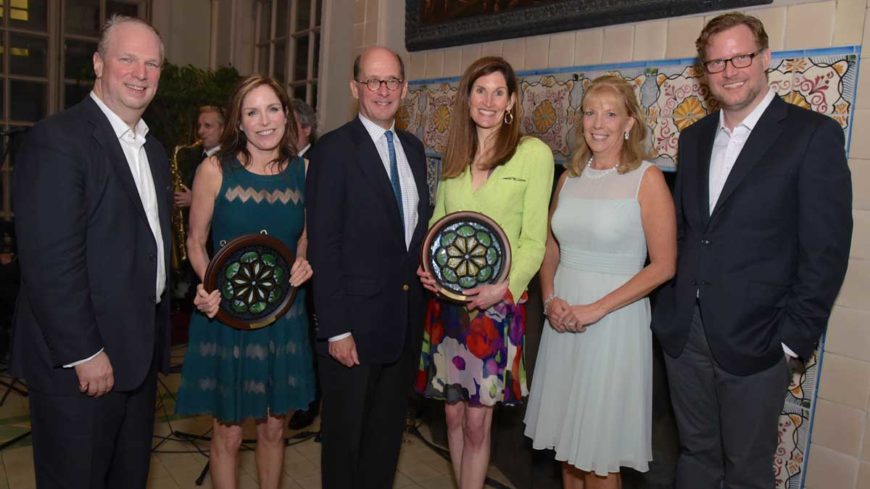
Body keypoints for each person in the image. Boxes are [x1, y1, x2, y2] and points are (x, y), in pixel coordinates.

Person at [651, 12, 852, 489]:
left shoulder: (811, 135)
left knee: (746, 471)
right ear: (704, 71)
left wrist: (790, 341)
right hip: (686, 337)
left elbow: (825, 250)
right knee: (696, 457)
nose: (730, 70)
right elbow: (687, 232)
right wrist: (669, 309)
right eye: (716, 62)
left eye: (741, 56)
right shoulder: (694, 138)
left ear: (765, 58)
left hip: (759, 340)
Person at [10, 15, 171, 489]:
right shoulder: (59, 141)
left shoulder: (152, 150)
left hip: (134, 359)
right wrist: (85, 352)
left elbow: (144, 247)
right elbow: (50, 263)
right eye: (127, 59)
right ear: (99, 64)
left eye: (152, 63)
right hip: (81, 368)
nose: (140, 73)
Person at [523, 75, 676, 489]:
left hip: (613, 325)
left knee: (599, 456)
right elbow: (551, 248)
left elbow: (663, 265)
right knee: (568, 451)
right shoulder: (570, 176)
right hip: (564, 321)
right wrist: (550, 298)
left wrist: (597, 308)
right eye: (590, 112)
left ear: (629, 122)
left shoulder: (647, 179)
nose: (598, 123)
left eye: (610, 113)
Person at [416, 56, 554, 489]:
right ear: (468, 98)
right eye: (481, 91)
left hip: (497, 309)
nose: (489, 101)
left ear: (512, 101)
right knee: (453, 415)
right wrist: (428, 270)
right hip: (448, 307)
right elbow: (439, 229)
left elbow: (534, 240)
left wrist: (505, 289)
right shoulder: (456, 155)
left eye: (499, 92)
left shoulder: (533, 154)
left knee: (478, 424)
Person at [174, 75, 316, 489]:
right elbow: (195, 241)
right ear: (240, 119)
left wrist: (304, 262)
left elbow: (304, 236)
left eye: (272, 109)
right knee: (229, 433)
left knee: (274, 429)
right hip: (227, 319)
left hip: (284, 316)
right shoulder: (215, 169)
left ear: (286, 114)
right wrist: (212, 286)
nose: (264, 121)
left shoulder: (305, 170)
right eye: (252, 112)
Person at [306, 46, 431, 488]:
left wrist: (427, 268)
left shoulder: (414, 150)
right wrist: (335, 328)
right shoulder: (334, 151)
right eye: (373, 81)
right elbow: (324, 245)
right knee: (344, 447)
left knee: (383, 443)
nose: (383, 90)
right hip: (351, 332)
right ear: (354, 87)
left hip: (401, 324)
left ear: (405, 88)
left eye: (392, 81)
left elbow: (412, 234)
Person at [287, 98, 320, 431]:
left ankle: (310, 402)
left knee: (311, 337)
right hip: (290, 266)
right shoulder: (284, 163)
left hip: (312, 267)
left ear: (306, 129)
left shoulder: (315, 162)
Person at [174, 105, 225, 209]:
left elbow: (230, 204)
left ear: (222, 129)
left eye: (207, 126)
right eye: (199, 126)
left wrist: (195, 200)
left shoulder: (231, 160)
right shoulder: (193, 156)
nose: (200, 131)